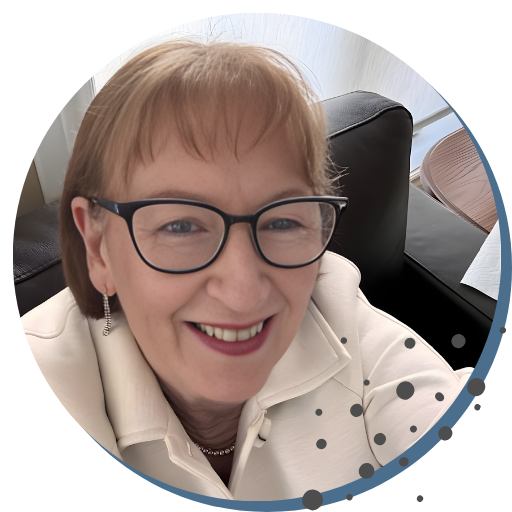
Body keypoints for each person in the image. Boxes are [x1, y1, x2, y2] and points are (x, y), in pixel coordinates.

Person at [21, 40, 473, 501]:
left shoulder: (333, 299)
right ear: (98, 249)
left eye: (283, 221)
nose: (243, 291)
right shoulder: (52, 374)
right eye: (180, 226)